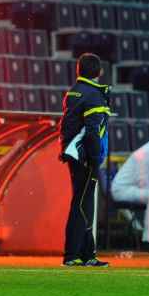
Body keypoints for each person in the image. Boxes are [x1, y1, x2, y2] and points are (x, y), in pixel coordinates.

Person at [59, 53, 110, 267]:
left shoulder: (74, 91)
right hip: (86, 155)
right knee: (83, 203)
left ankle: (87, 254)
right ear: (98, 71)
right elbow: (92, 130)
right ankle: (73, 254)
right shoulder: (93, 95)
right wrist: (96, 156)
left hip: (75, 153)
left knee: (82, 202)